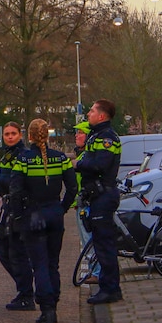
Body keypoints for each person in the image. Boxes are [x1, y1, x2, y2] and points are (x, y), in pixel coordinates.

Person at [10, 119, 77, 323]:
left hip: (33, 216)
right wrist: (62, 208)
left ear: (29, 136)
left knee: (39, 264)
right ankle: (54, 303)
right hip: (55, 214)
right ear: (47, 135)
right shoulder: (61, 158)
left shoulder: (23, 159)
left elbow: (15, 191)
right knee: (52, 263)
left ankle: (47, 310)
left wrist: (19, 216)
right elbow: (73, 188)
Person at [75, 99, 123, 304]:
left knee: (105, 245)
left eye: (92, 111)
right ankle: (108, 287)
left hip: (103, 195)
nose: (89, 114)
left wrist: (78, 164)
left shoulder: (106, 138)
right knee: (101, 243)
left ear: (102, 116)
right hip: (97, 196)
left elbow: (100, 165)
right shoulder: (97, 135)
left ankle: (110, 289)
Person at [0, 122, 34, 311]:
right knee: (4, 252)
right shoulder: (5, 154)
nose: (10, 137)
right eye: (7, 134)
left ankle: (26, 295)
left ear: (20, 135)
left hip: (19, 208)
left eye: (13, 133)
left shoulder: (24, 154)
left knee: (17, 253)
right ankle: (25, 290)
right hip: (7, 206)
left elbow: (20, 181)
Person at [73, 121, 100, 284]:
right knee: (87, 240)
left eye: (81, 132)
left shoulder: (85, 158)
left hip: (85, 203)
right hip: (81, 202)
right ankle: (94, 271)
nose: (77, 135)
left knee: (88, 239)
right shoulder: (82, 156)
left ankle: (96, 273)